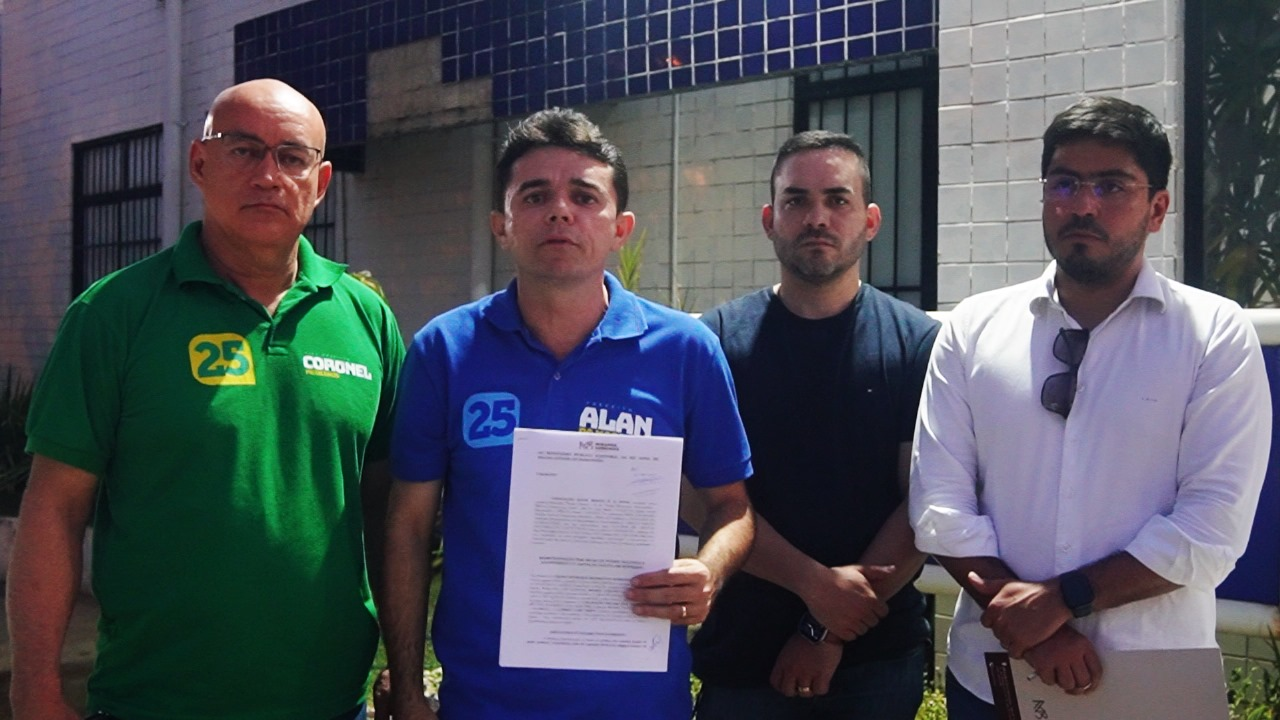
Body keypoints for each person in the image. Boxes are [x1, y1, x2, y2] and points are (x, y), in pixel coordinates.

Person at [8, 79, 404, 720]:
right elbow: (54, 508)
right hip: (153, 702)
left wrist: (405, 674)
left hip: (330, 702)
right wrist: (34, 689)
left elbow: (392, 515)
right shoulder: (115, 314)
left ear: (321, 181)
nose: (268, 176)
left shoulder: (366, 319)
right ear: (199, 163)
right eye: (243, 150)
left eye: (292, 157)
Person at [382, 108, 755, 720]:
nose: (560, 211)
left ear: (620, 228)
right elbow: (409, 528)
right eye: (535, 196)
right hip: (483, 704)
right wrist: (406, 688)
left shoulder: (686, 350)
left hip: (639, 704)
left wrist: (708, 570)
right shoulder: (444, 350)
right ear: (501, 226)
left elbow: (733, 507)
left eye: (584, 196)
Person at [910, 96, 1272, 718]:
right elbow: (939, 505)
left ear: (1157, 208)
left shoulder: (1213, 332)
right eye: (1065, 183)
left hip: (1150, 681)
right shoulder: (973, 327)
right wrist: (1035, 628)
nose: (1082, 205)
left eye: (1111, 186)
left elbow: (1212, 526)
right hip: (994, 678)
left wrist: (1062, 599)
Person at [691, 130, 939, 719]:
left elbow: (925, 503)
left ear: (870, 221)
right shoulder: (716, 342)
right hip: (743, 656)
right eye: (797, 200)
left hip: (875, 659)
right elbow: (702, 499)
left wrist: (823, 631)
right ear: (769, 219)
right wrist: (815, 588)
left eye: (837, 199)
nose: (817, 217)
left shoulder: (917, 343)